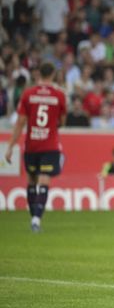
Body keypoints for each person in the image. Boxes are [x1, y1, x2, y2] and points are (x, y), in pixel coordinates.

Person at [5, 62, 67, 233]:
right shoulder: (59, 95)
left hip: (31, 145)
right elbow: (61, 122)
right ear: (53, 74)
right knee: (44, 179)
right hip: (50, 145)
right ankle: (36, 219)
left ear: (39, 74)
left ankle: (33, 218)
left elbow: (20, 123)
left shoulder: (28, 94)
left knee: (31, 181)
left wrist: (10, 146)